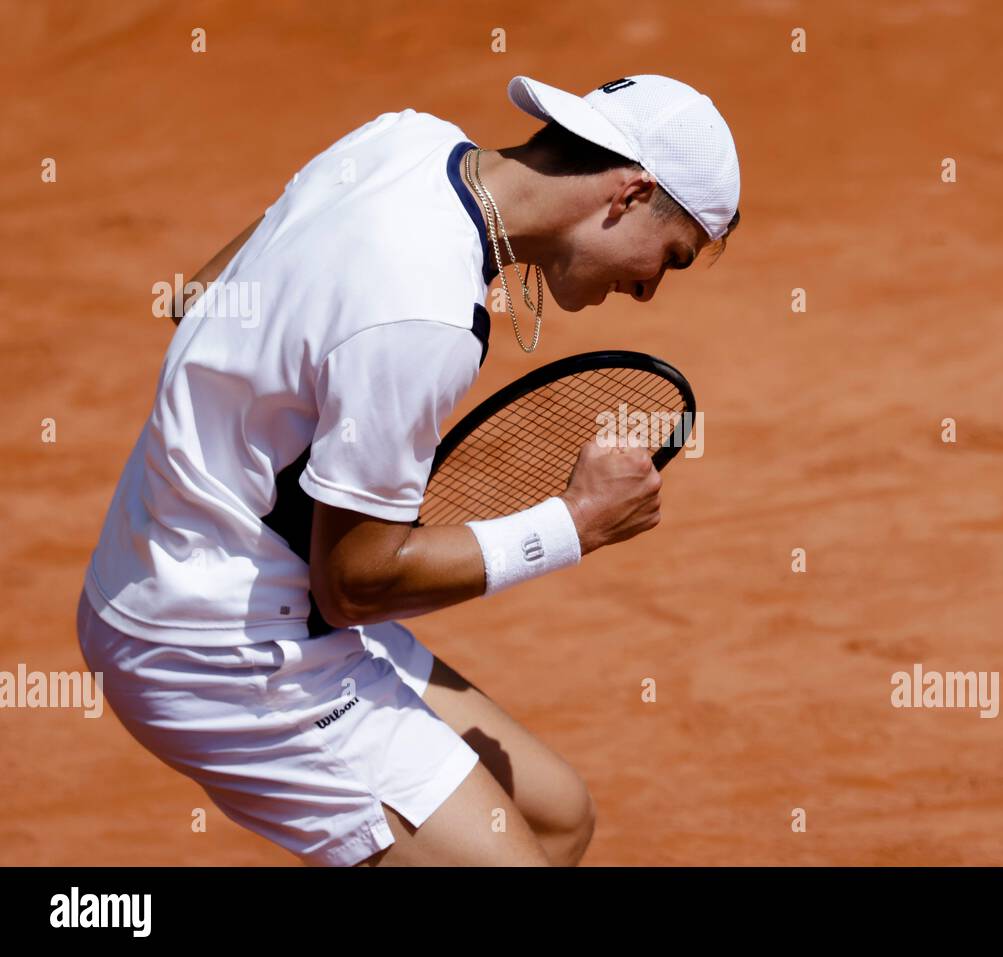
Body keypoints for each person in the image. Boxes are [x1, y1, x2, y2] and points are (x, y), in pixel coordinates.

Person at [76, 74, 741, 866]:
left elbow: (197, 295)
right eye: (668, 259)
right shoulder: (427, 314)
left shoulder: (401, 139)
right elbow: (353, 583)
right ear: (630, 193)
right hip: (220, 649)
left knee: (559, 817)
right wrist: (576, 523)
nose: (645, 289)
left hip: (168, 565)